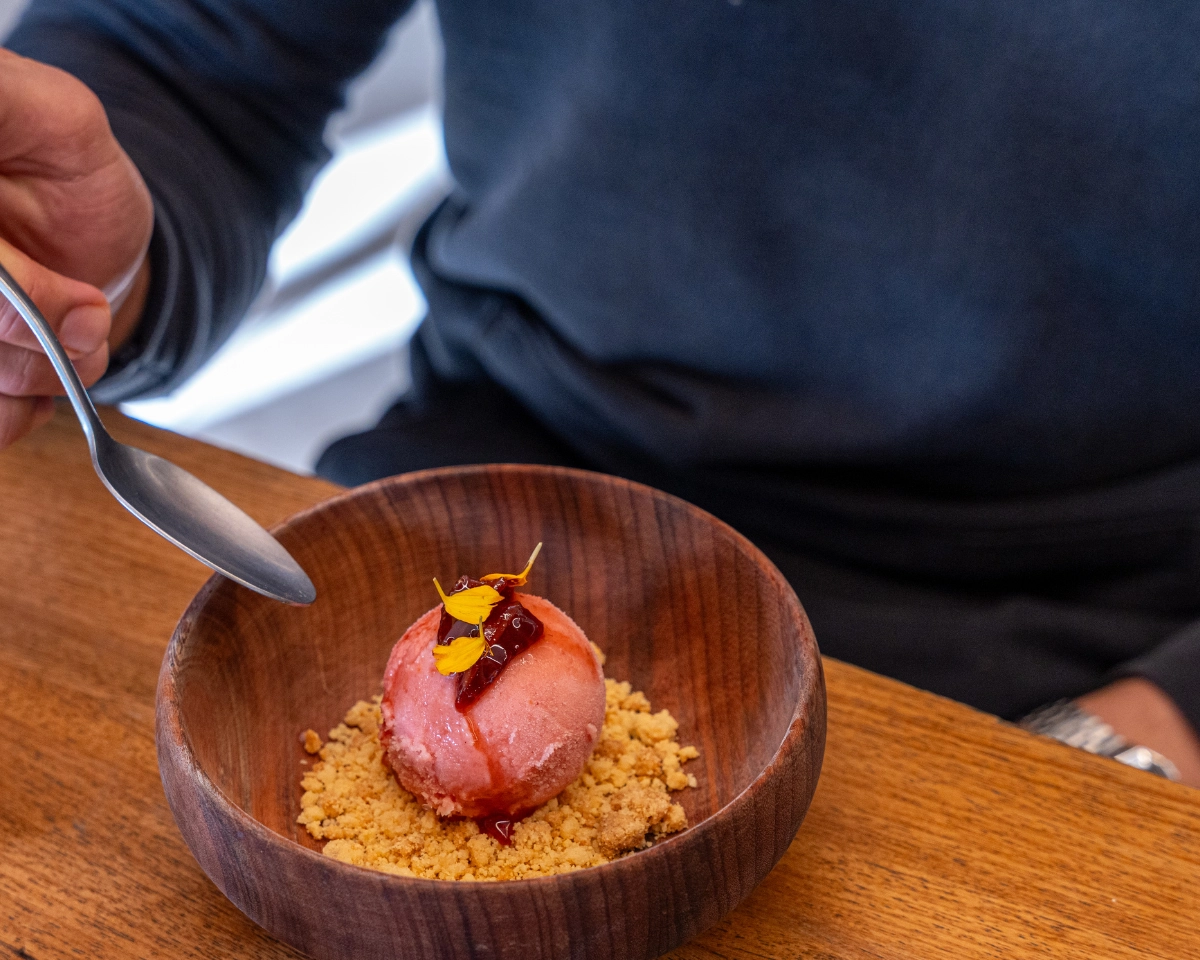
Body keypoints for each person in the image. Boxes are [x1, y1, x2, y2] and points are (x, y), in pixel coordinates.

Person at [1, 0, 1199, 783]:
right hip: (493, 476)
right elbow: (191, 54)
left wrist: (1160, 723)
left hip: (1082, 615)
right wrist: (68, 258)